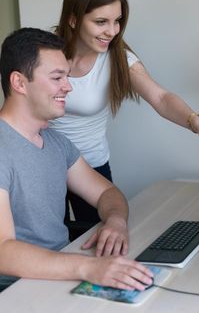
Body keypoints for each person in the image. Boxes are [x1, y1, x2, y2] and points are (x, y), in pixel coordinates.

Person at [50, 0, 199, 232]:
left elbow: (161, 97)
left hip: (92, 167)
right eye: (100, 22)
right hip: (44, 166)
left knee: (97, 240)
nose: (112, 31)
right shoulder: (44, 52)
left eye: (117, 21)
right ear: (74, 19)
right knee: (50, 243)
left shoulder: (117, 58)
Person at [0, 27, 153, 292]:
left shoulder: (57, 143)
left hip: (60, 275)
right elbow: (3, 252)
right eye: (57, 77)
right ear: (19, 83)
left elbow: (107, 192)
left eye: (67, 77)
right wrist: (87, 267)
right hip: (16, 290)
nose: (68, 87)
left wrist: (116, 221)